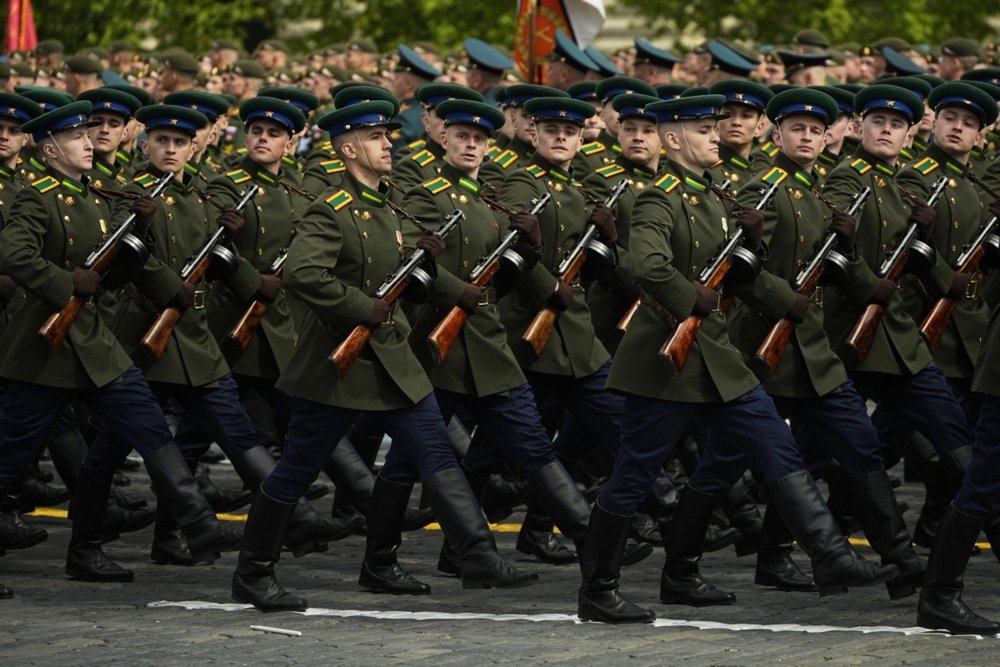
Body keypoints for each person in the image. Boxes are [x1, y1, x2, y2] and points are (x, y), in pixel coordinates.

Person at [577, 94, 897, 625]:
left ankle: (830, 555)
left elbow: (739, 272)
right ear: (674, 139)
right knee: (634, 474)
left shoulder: (712, 196)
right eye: (704, 129)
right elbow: (647, 265)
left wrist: (785, 301)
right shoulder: (660, 197)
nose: (716, 136)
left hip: (718, 358)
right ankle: (598, 589)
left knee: (775, 445)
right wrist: (689, 297)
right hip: (667, 362)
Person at [231, 94, 537, 613]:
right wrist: (359, 306)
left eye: (386, 136)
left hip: (391, 357)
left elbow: (398, 276)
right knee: (297, 469)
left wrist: (427, 274)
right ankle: (253, 573)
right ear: (349, 148)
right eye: (375, 138)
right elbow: (305, 275)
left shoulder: (389, 201)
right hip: (337, 364)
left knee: (435, 450)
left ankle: (475, 555)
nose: (387, 144)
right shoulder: (331, 210)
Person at [0, 101, 240, 585]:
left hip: (91, 341)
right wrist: (65, 281)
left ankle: (197, 523)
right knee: (9, 456)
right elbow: (12, 252)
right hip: (43, 349)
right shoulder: (38, 197)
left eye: (89, 136)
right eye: (76, 139)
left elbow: (124, 259)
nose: (89, 144)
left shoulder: (96, 195)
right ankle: (111, 543)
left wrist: (172, 287)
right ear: (49, 150)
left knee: (149, 424)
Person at [730, 88, 925, 600]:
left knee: (860, 446)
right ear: (777, 134)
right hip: (765, 345)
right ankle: (681, 566)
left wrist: (851, 251)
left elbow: (824, 266)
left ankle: (901, 560)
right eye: (798, 129)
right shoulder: (764, 188)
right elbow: (745, 271)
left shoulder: (818, 188)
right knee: (722, 463)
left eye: (818, 131)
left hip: (814, 349)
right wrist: (781, 297)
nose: (809, 138)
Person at [820, 84, 985, 549]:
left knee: (923, 435)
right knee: (850, 445)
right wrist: (934, 270)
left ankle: (854, 534)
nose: (957, 128)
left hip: (908, 332)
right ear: (858, 127)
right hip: (878, 324)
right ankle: (818, 539)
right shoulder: (875, 178)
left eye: (968, 123)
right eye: (950, 117)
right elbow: (849, 253)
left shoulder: (931, 180)